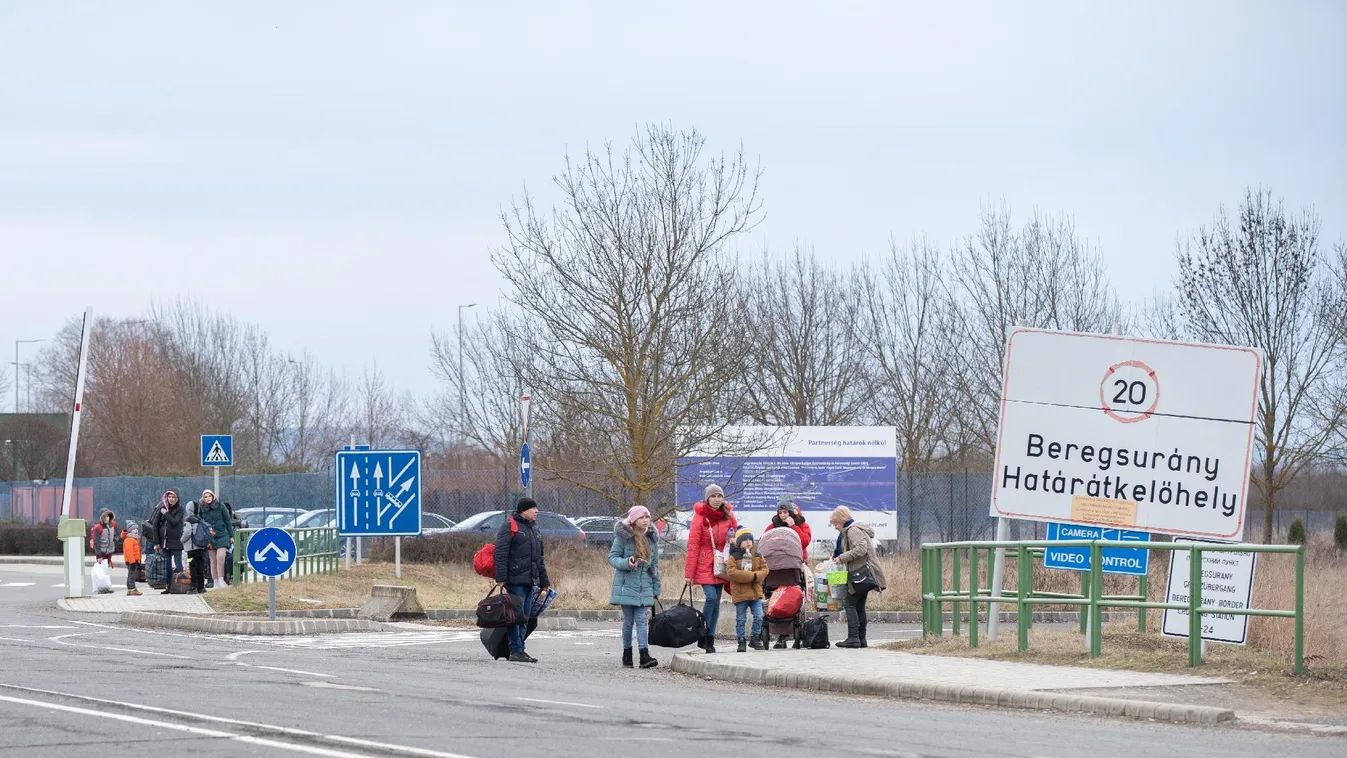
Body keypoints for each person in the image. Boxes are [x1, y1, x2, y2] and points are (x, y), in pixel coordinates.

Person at [493, 497, 550, 664]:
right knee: (515, 617)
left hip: (530, 580)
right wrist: (501, 578)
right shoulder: (510, 526)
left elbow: (539, 558)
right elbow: (500, 553)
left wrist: (544, 581)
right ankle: (515, 650)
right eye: (533, 508)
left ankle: (521, 650)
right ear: (524, 510)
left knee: (524, 617)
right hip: (515, 580)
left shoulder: (534, 529)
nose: (537, 511)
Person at [683, 483, 737, 654]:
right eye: (713, 496)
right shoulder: (700, 517)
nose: (716, 499)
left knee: (717, 603)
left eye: (719, 496)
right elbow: (693, 546)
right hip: (704, 563)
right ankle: (703, 632)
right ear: (707, 498)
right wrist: (689, 574)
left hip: (722, 563)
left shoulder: (728, 515)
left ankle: (710, 638)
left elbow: (736, 537)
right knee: (711, 599)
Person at [608, 505, 661, 669]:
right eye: (642, 517)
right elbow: (612, 558)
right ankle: (627, 654)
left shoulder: (651, 539)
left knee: (641, 620)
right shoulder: (623, 537)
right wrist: (626, 563)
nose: (645, 521)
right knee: (628, 622)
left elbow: (655, 566)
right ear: (633, 520)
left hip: (644, 585)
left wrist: (656, 588)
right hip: (626, 584)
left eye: (647, 517)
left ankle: (644, 655)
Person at [830, 506, 887, 649]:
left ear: (842, 520)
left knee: (850, 604)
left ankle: (853, 637)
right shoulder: (854, 529)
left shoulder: (853, 530)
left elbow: (861, 549)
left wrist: (842, 557)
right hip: (863, 574)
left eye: (835, 523)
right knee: (860, 606)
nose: (835, 527)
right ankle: (862, 639)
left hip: (859, 574)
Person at [758, 523, 805, 649]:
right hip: (791, 579)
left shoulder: (798, 524)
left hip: (771, 582)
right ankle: (785, 637)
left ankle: (781, 637)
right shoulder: (772, 527)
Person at [722, 527, 768, 653]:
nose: (748, 542)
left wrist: (756, 576)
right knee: (741, 618)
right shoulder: (734, 556)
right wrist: (750, 576)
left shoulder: (758, 555)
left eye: (750, 539)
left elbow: (765, 570)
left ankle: (755, 638)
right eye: (745, 540)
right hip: (741, 593)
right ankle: (741, 640)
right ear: (739, 542)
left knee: (759, 616)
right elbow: (731, 572)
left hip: (755, 592)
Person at [194, 490, 234, 588]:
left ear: (213, 496)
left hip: (222, 535)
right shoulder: (202, 508)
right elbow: (201, 522)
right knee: (212, 560)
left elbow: (227, 521)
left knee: (220, 557)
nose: (207, 498)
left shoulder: (221, 506)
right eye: (205, 497)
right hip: (210, 537)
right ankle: (215, 581)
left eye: (209, 496)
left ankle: (221, 579)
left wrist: (231, 535)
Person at [151, 489, 185, 595]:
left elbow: (174, 522)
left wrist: (165, 514)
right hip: (164, 542)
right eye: (169, 497)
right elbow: (155, 526)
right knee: (167, 564)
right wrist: (157, 543)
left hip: (176, 541)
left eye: (174, 497)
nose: (171, 499)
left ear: (177, 498)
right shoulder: (162, 509)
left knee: (178, 564)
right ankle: (169, 586)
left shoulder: (180, 509)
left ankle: (179, 585)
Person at [121, 521, 143, 596]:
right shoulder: (129, 540)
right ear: (130, 530)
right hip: (132, 561)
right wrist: (132, 562)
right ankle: (132, 588)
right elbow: (129, 552)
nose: (136, 530)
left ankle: (130, 589)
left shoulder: (135, 539)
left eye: (137, 528)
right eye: (134, 529)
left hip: (135, 561)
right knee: (132, 575)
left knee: (131, 574)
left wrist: (139, 561)